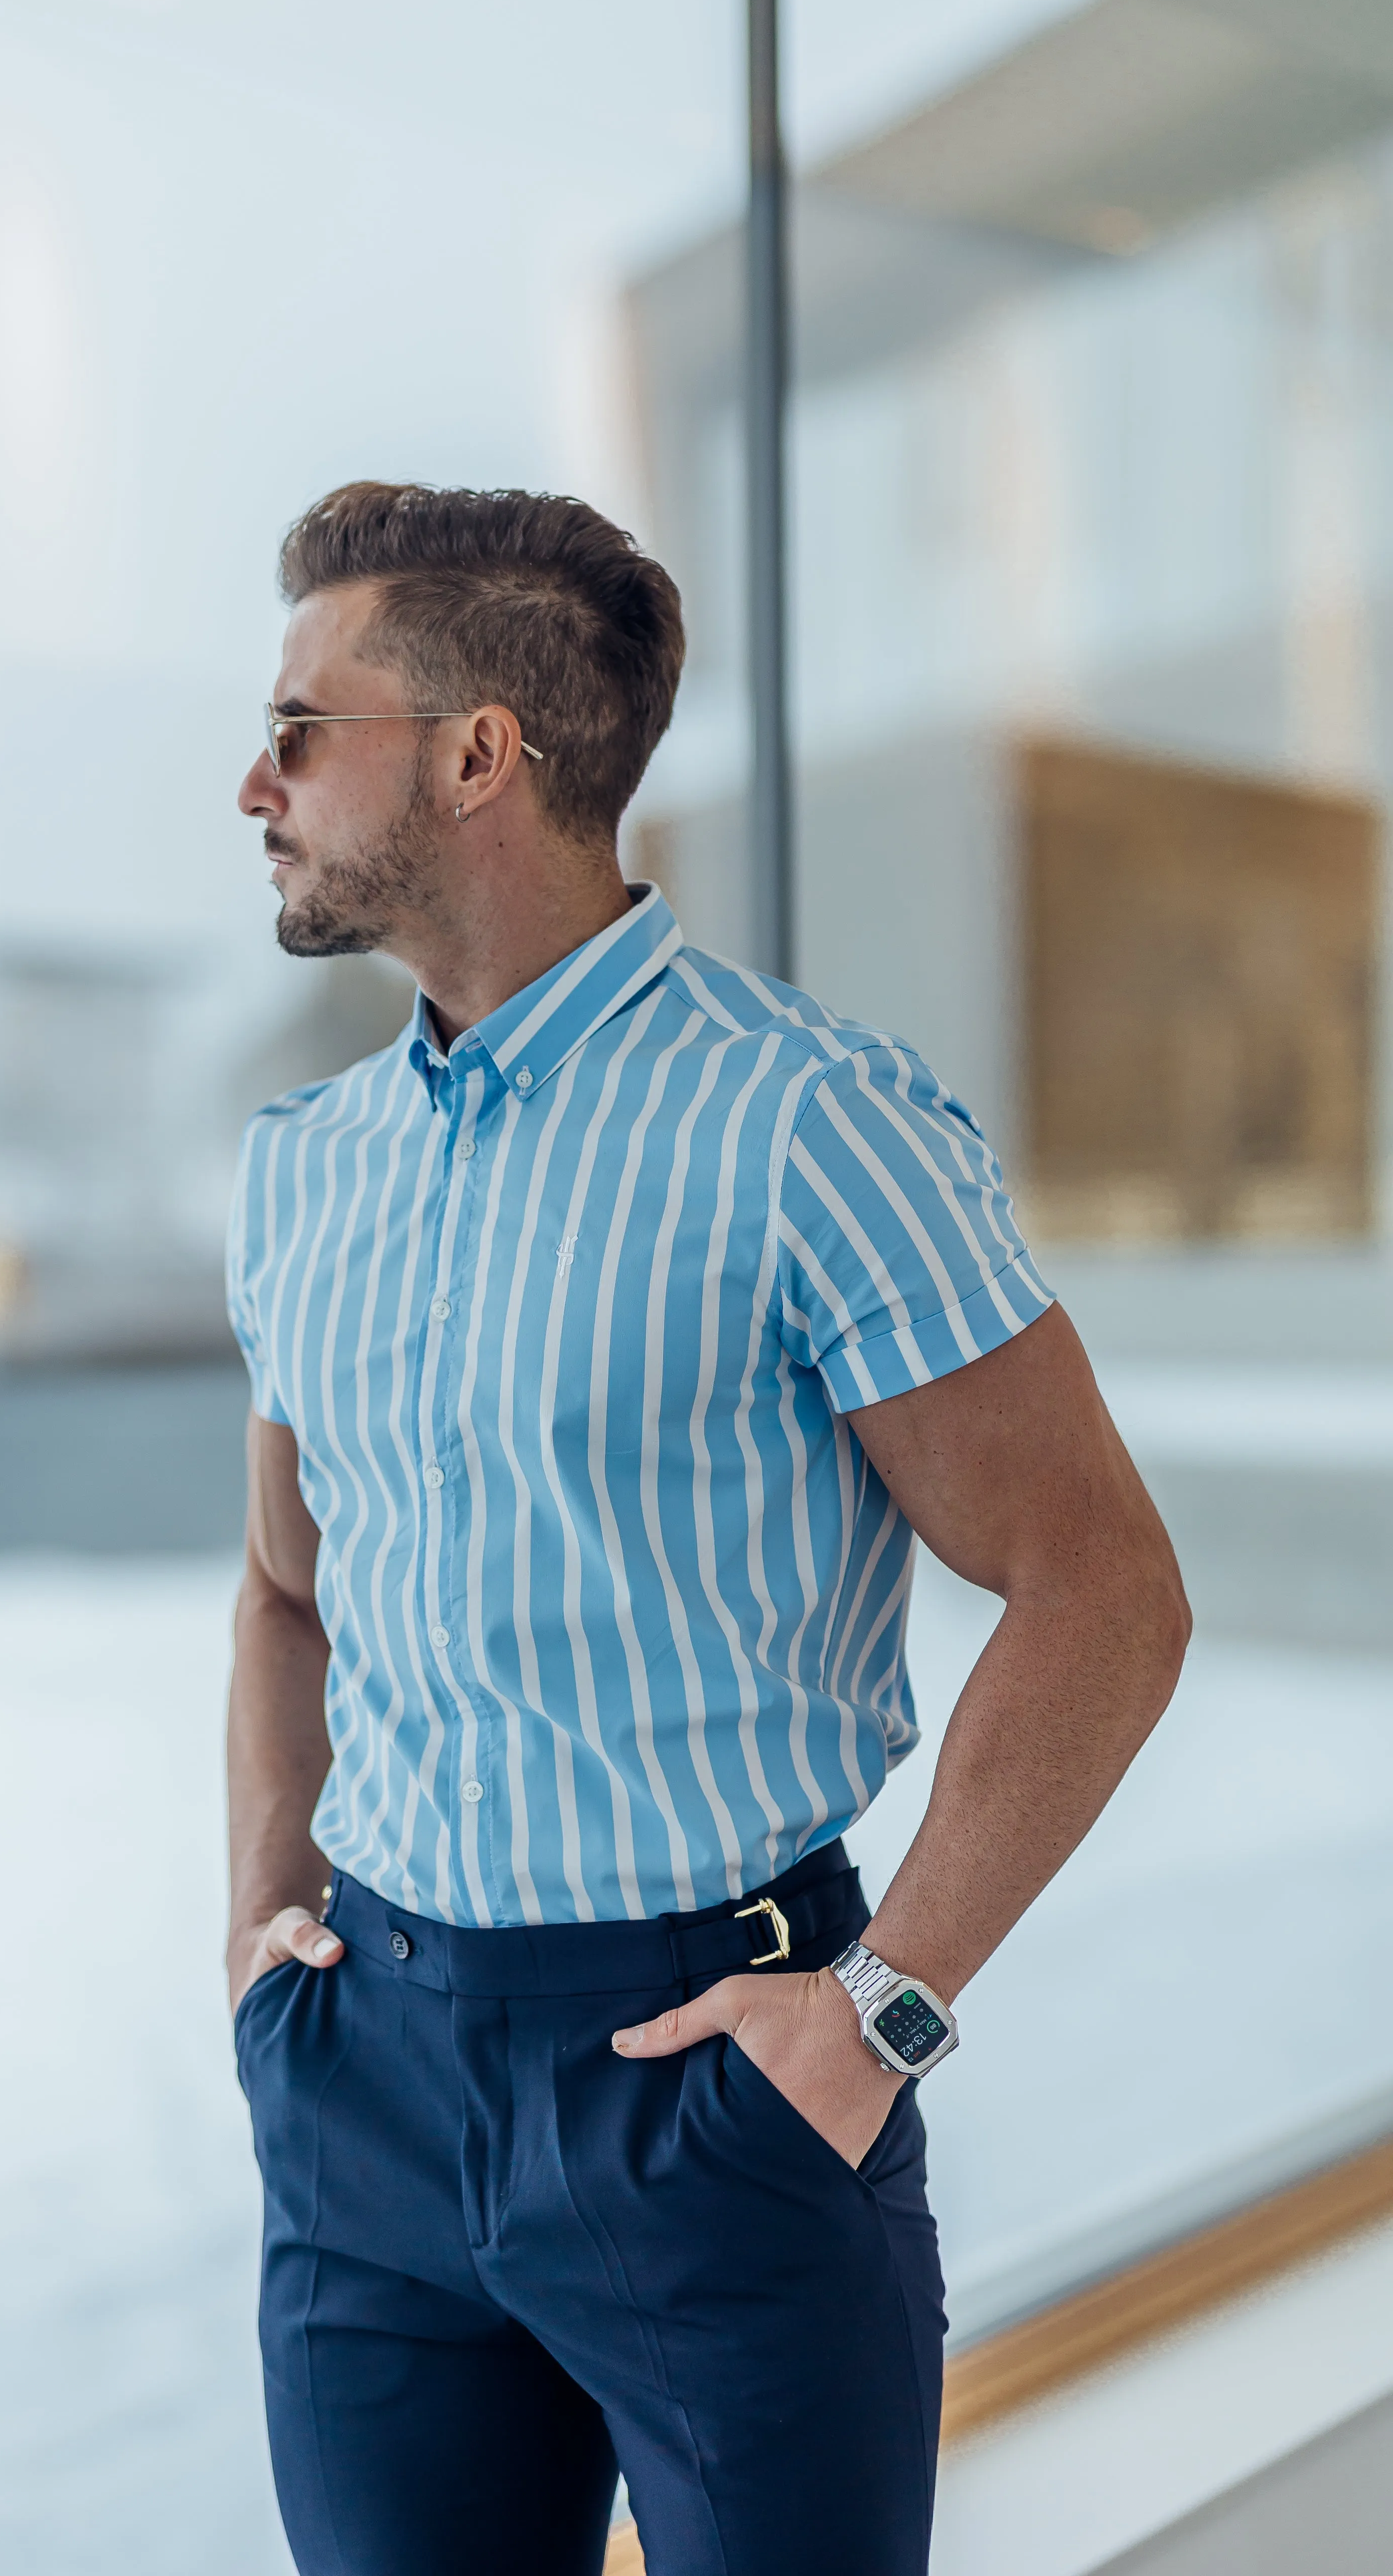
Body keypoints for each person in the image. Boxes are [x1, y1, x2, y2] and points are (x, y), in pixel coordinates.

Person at [225, 481, 1188, 2576]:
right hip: (364, 2094)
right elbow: (291, 1595)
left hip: (714, 2092)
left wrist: (884, 2016)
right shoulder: (305, 1167)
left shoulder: (808, 1123)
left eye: (305, 728)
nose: (254, 784)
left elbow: (1102, 1589)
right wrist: (261, 1949)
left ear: (479, 753)